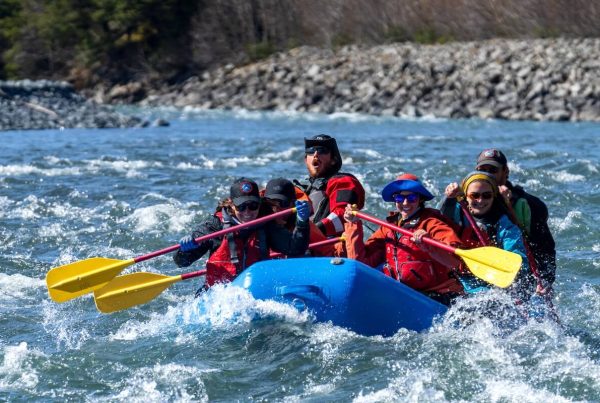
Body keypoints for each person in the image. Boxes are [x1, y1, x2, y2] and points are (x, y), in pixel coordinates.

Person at [343, 173, 464, 305]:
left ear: (420, 199)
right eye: (400, 198)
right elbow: (360, 262)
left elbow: (456, 261)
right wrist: (353, 224)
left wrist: (430, 243)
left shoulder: (432, 223)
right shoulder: (388, 228)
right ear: (395, 200)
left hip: (438, 294)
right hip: (403, 293)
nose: (405, 203)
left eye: (412, 197)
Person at [173, 177, 311, 288]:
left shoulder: (266, 224)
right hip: (218, 295)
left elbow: (295, 249)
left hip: (255, 291)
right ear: (232, 206)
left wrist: (302, 222)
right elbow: (181, 262)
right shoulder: (214, 225)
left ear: (259, 204)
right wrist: (185, 250)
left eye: (253, 206)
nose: (247, 212)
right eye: (241, 207)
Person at [440, 171, 534, 299]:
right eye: (474, 195)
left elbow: (518, 261)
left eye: (487, 195)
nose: (480, 200)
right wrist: (449, 197)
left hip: (489, 286)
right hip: (456, 278)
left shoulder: (504, 226)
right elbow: (440, 221)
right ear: (465, 196)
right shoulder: (456, 212)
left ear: (493, 197)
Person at [474, 148, 556, 294]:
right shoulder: (468, 200)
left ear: (505, 172)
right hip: (482, 270)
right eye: (482, 170)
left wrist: (545, 280)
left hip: (521, 274)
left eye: (492, 170)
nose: (487, 175)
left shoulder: (531, 205)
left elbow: (545, 249)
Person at [294, 134, 365, 237]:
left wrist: (309, 234)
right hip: (303, 246)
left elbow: (343, 216)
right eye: (311, 150)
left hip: (330, 249)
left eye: (322, 150)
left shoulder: (343, 181)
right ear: (306, 160)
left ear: (334, 160)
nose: (316, 154)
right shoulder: (304, 191)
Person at [263, 178, 340, 256]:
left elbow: (327, 251)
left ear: (293, 204)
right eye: (271, 204)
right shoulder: (256, 219)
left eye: (283, 203)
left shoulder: (304, 225)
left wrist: (302, 223)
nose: (276, 209)